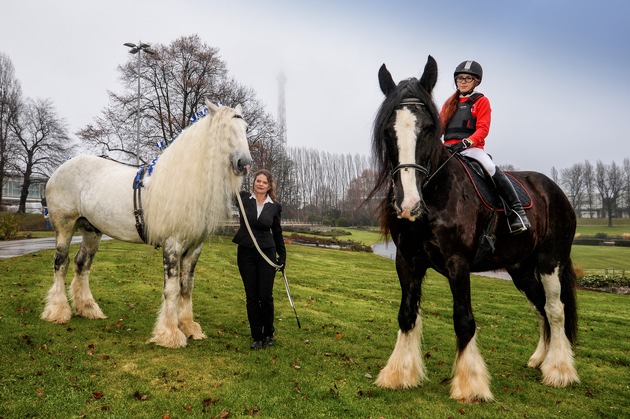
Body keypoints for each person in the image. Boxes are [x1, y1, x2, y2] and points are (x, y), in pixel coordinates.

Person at [440, 60, 531, 234]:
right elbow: (440, 127)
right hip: (448, 149)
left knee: (489, 168)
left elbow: (483, 129)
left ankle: (517, 212)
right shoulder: (449, 103)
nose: (463, 81)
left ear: (476, 81)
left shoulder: (481, 101)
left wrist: (467, 142)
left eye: (468, 78)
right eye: (460, 78)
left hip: (470, 149)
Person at [233, 169, 286, 350]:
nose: (260, 184)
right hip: (246, 253)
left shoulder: (275, 206)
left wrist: (282, 256)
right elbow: (229, 185)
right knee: (252, 297)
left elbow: (277, 233)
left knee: (265, 296)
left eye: (264, 182)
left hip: (267, 254)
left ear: (269, 186)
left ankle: (269, 333)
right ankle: (257, 336)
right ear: (253, 182)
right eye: (258, 181)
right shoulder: (243, 198)